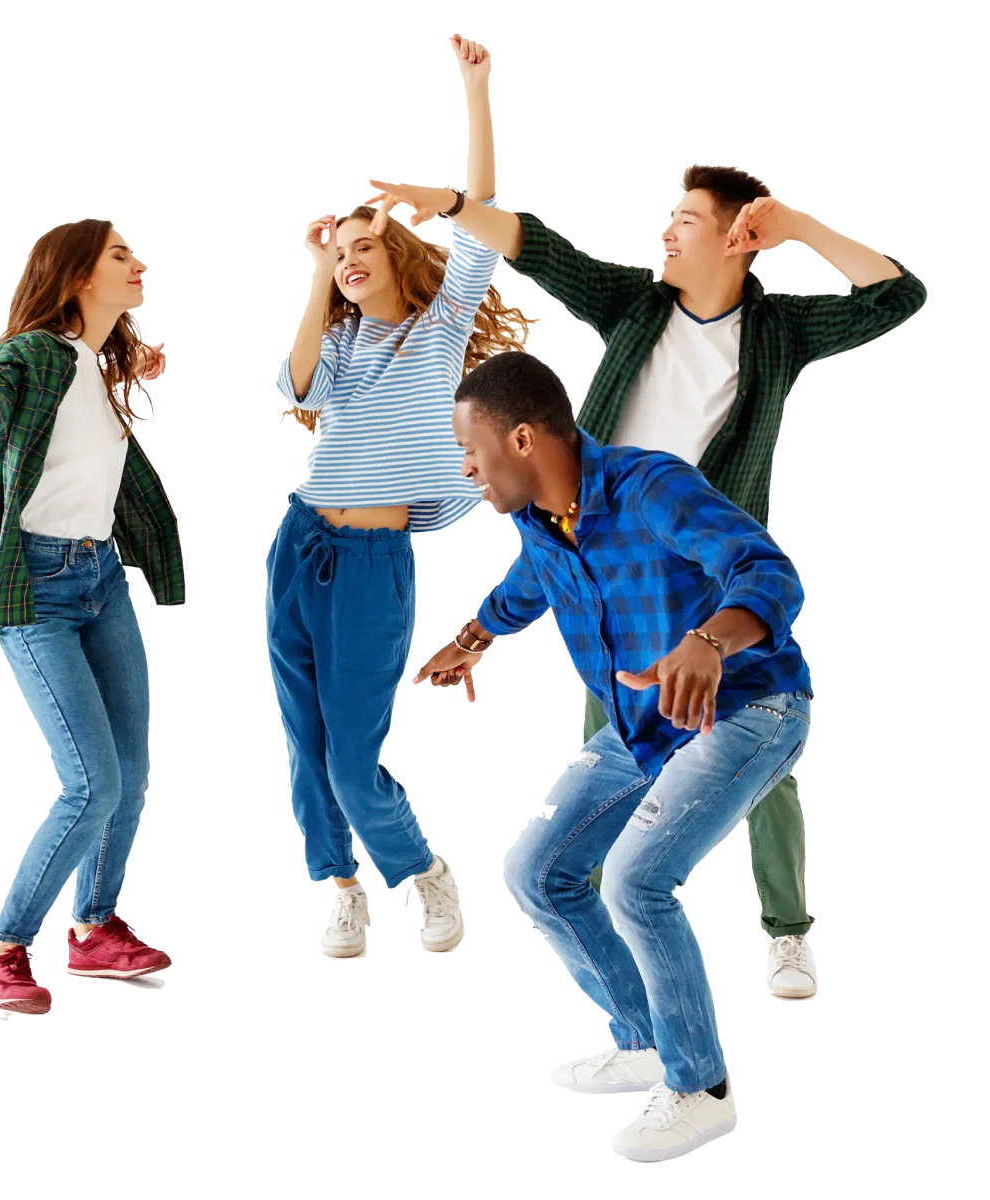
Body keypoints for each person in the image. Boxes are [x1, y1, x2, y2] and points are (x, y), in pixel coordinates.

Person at [366, 165, 926, 998]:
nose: (665, 232)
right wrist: (446, 206)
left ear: (738, 238)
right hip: (615, 578)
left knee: (758, 758)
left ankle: (786, 928)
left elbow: (897, 298)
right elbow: (540, 248)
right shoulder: (637, 304)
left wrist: (799, 228)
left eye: (686, 220)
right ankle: (613, 963)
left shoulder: (776, 331)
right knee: (614, 756)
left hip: (710, 581)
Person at [416, 352, 813, 1159]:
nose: (466, 469)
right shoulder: (541, 522)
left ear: (522, 439)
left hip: (749, 707)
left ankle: (700, 1087)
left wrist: (708, 640)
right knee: (538, 871)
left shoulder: (647, 487)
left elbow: (767, 570)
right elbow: (531, 584)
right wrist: (475, 639)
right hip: (647, 727)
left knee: (637, 879)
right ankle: (640, 1041)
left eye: (472, 451)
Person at [269, 36, 535, 957]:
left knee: (353, 748)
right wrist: (314, 272)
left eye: (361, 246)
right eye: (339, 251)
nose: (348, 259)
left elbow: (482, 206)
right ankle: (339, 885)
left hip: (376, 560)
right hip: (299, 543)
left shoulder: (440, 325)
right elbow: (297, 385)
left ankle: (421, 872)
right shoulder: (339, 348)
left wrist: (476, 87)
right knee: (305, 741)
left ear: (398, 254)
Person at [0, 221, 182, 1016]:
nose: (133, 264)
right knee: (90, 784)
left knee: (129, 774)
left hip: (99, 577)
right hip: (36, 587)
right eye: (115, 256)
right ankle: (2, 953)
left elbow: (84, 447)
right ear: (73, 277)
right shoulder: (34, 354)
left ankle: (94, 929)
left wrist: (129, 376)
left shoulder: (95, 366)